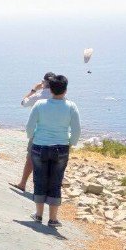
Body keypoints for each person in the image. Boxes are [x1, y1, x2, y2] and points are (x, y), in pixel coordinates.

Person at [26, 74, 80, 227]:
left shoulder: (40, 104)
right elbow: (76, 130)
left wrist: (33, 136)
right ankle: (53, 219)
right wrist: (71, 143)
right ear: (65, 90)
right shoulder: (71, 106)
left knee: (39, 179)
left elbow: (29, 127)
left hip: (39, 145)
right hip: (61, 147)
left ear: (50, 89)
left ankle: (38, 215)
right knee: (56, 181)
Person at [10, 72, 55, 192]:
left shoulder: (39, 96)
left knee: (31, 158)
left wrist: (34, 89)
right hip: (55, 134)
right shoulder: (58, 97)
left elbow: (23, 102)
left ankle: (23, 184)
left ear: (44, 83)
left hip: (38, 132)